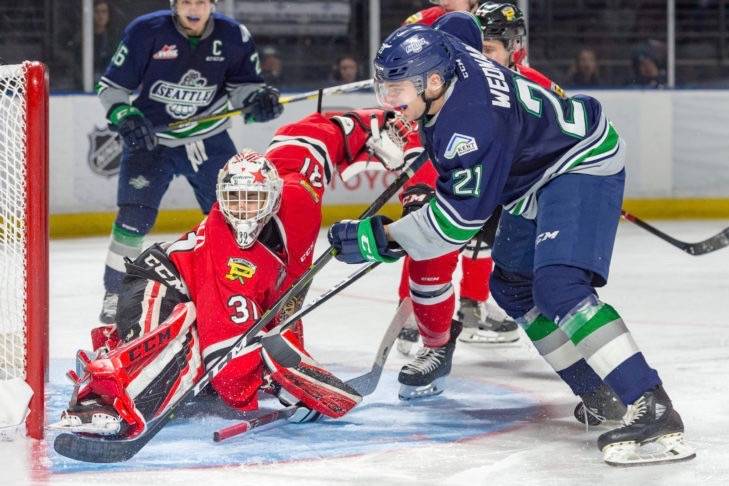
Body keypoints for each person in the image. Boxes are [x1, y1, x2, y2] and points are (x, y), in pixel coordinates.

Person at [328, 23, 695, 466]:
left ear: (435, 81)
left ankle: (651, 403)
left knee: (559, 286)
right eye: (385, 88)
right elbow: (458, 26)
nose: (389, 102)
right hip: (533, 171)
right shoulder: (450, 53)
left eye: (397, 89)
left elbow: (455, 225)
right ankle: (599, 395)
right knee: (512, 287)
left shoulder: (472, 123)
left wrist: (377, 239)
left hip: (578, 159)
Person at [54, 109, 415, 437]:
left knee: (199, 356)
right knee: (184, 347)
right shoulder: (230, 251)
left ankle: (108, 355)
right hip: (161, 281)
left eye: (253, 199)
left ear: (273, 196)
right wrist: (290, 382)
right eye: (234, 199)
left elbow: (310, 137)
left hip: (198, 295)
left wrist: (373, 127)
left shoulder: (300, 194)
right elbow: (228, 367)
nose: (242, 211)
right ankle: (101, 400)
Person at [96, 0, 284, 326]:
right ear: (174, 4)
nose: (193, 8)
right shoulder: (146, 31)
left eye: (200, 1)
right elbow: (111, 87)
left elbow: (245, 91)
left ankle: (241, 289)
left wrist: (258, 102)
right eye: (185, 1)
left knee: (235, 218)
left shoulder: (233, 36)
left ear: (212, 4)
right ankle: (114, 294)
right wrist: (124, 115)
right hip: (151, 140)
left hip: (208, 139)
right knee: (132, 219)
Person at [397, 1, 519, 364]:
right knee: (427, 220)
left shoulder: (494, 24)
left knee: (483, 220)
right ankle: (412, 314)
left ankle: (471, 302)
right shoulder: (427, 23)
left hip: (477, 137)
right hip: (436, 122)